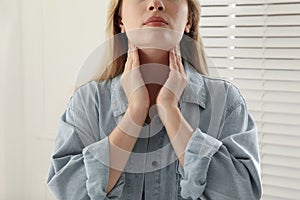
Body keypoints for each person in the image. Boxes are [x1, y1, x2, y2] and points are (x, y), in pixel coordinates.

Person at [46, 0, 263, 199]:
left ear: (189, 19)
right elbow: (69, 192)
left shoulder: (226, 102)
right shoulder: (86, 102)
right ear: (120, 19)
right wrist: (136, 111)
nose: (155, 4)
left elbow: (242, 194)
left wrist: (169, 110)